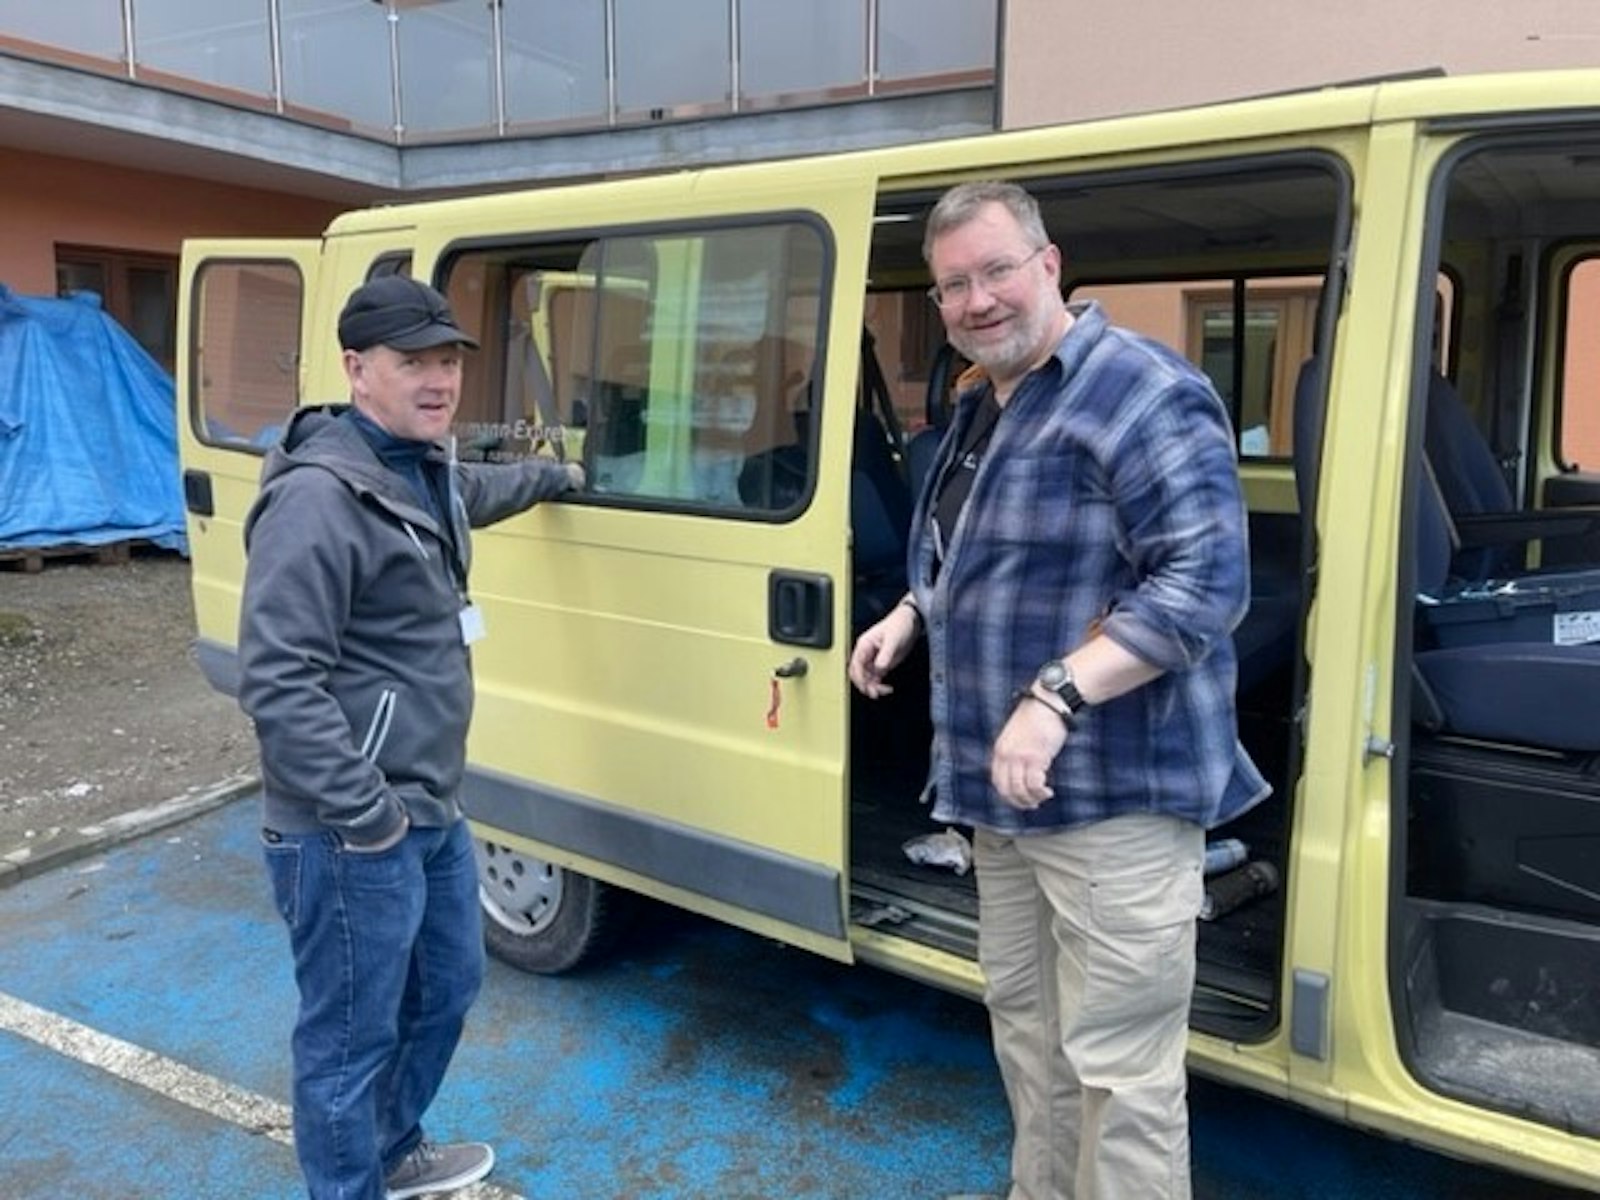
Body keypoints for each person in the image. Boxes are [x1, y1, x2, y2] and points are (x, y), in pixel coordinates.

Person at [848, 181, 1268, 1200]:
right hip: (1001, 804)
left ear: (1049, 264)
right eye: (953, 285)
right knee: (1029, 1038)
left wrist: (1055, 696)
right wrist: (911, 610)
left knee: (1119, 1071)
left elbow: (1204, 585)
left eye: (996, 270)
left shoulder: (1141, 391)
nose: (976, 299)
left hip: (1113, 800)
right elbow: (966, 547)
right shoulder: (976, 401)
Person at [238, 275, 583, 1200]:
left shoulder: (417, 468)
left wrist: (563, 474)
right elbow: (275, 678)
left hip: (426, 804)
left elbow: (477, 488)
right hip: (350, 825)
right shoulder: (320, 499)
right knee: (351, 1033)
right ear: (357, 368)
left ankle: (392, 1151)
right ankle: (350, 1184)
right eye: (411, 363)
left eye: (445, 362)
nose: (437, 382)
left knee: (445, 989)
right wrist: (368, 815)